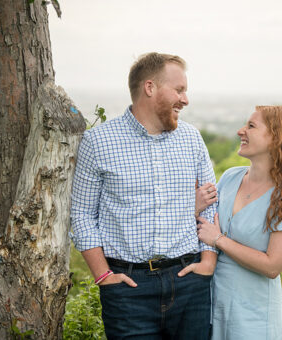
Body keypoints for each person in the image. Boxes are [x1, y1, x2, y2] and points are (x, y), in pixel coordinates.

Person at [70, 52, 218, 339]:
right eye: (179, 90)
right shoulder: (98, 142)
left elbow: (210, 205)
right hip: (128, 291)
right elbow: (83, 215)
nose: (185, 100)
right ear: (150, 88)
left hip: (190, 284)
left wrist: (208, 262)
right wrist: (104, 276)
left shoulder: (192, 138)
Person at [194, 105, 282, 339]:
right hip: (213, 306)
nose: (240, 131)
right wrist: (195, 207)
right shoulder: (230, 177)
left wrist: (219, 240)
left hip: (253, 316)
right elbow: (204, 226)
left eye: (251, 126)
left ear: (276, 138)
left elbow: (272, 266)